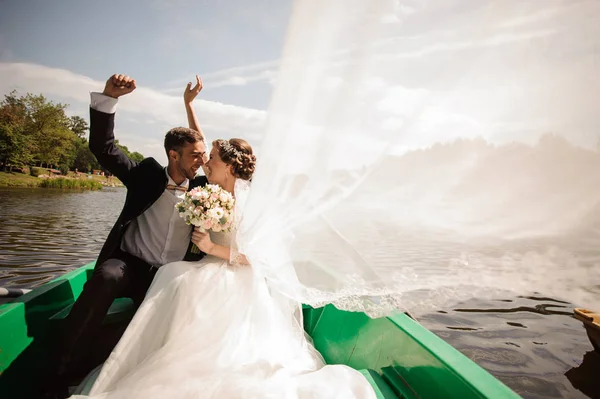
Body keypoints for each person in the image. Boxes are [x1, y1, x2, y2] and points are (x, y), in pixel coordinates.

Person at [68, 133, 376, 398]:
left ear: (229, 166)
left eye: (211, 157)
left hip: (238, 275)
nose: (205, 162)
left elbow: (257, 256)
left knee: (179, 278)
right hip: (207, 265)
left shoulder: (249, 202)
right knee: (174, 274)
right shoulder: (209, 192)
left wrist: (211, 247)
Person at [44, 74, 210, 398]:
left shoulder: (202, 190)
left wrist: (189, 105)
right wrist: (109, 99)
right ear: (173, 155)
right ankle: (61, 371)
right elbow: (103, 148)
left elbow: (199, 145)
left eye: (202, 156)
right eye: (194, 156)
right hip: (130, 266)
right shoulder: (145, 174)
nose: (201, 161)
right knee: (106, 276)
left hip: (168, 277)